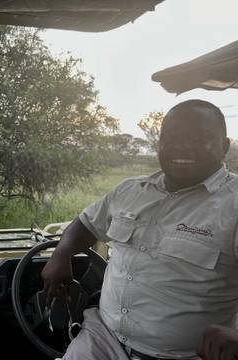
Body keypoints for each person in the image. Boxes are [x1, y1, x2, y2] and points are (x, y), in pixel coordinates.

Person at [41, 99, 238, 360]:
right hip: (102, 339)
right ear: (160, 143)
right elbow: (86, 223)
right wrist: (61, 253)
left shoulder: (233, 205)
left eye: (200, 138)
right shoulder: (129, 191)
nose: (183, 146)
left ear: (224, 146)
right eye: (173, 137)